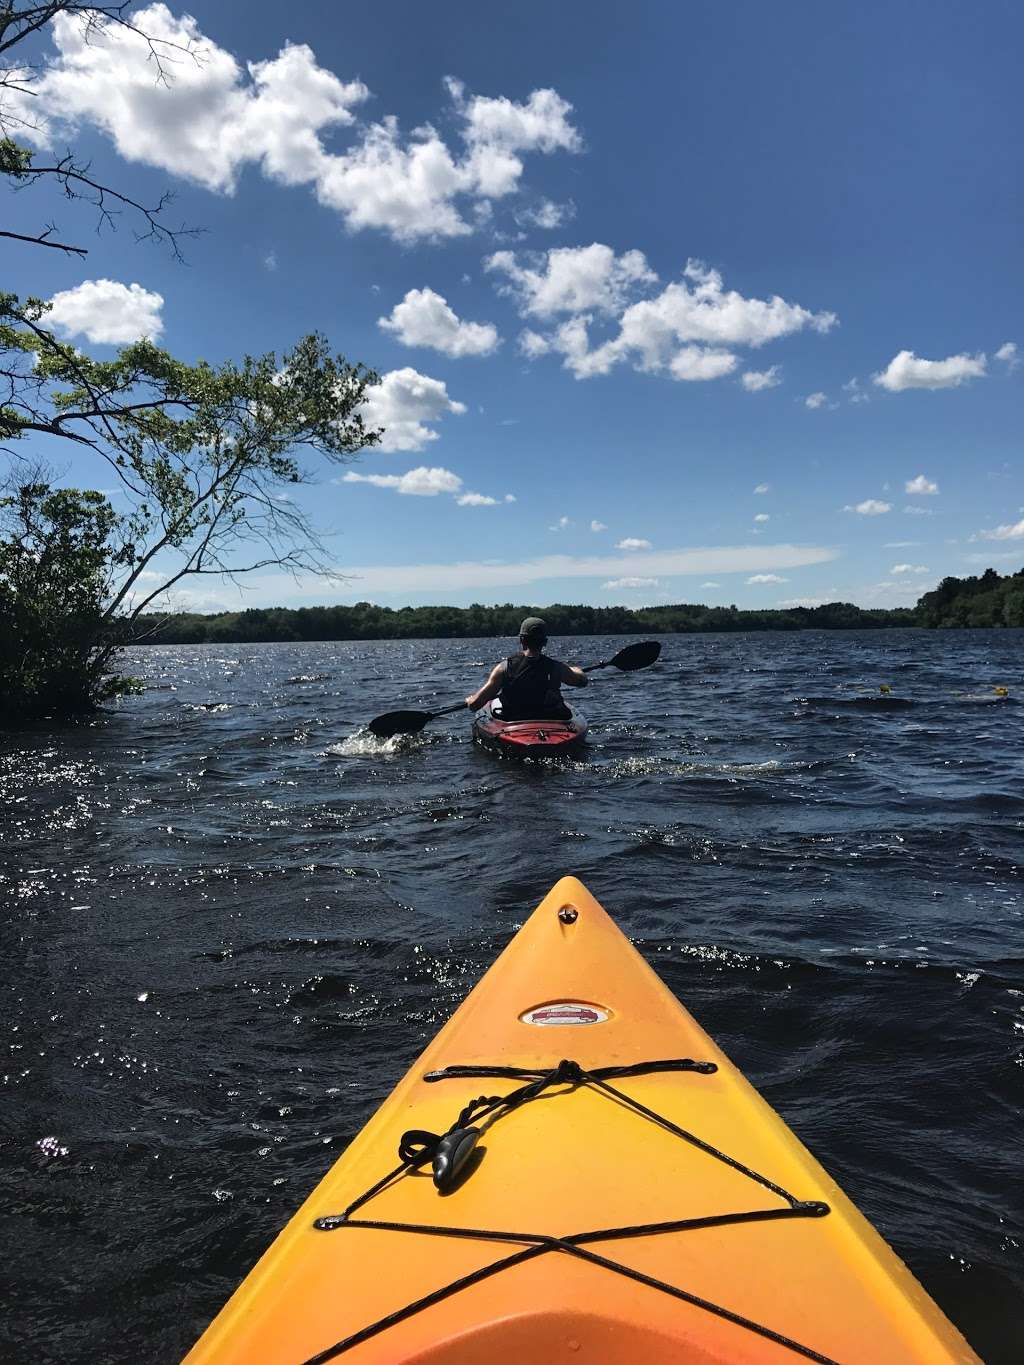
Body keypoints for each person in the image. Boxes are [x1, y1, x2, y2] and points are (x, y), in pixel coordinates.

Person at [466, 618, 588, 721]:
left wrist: (470, 700)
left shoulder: (503, 668)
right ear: (544, 642)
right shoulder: (557, 667)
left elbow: (475, 704)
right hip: (550, 718)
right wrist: (577, 670)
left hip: (514, 720)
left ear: (521, 640)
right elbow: (582, 681)